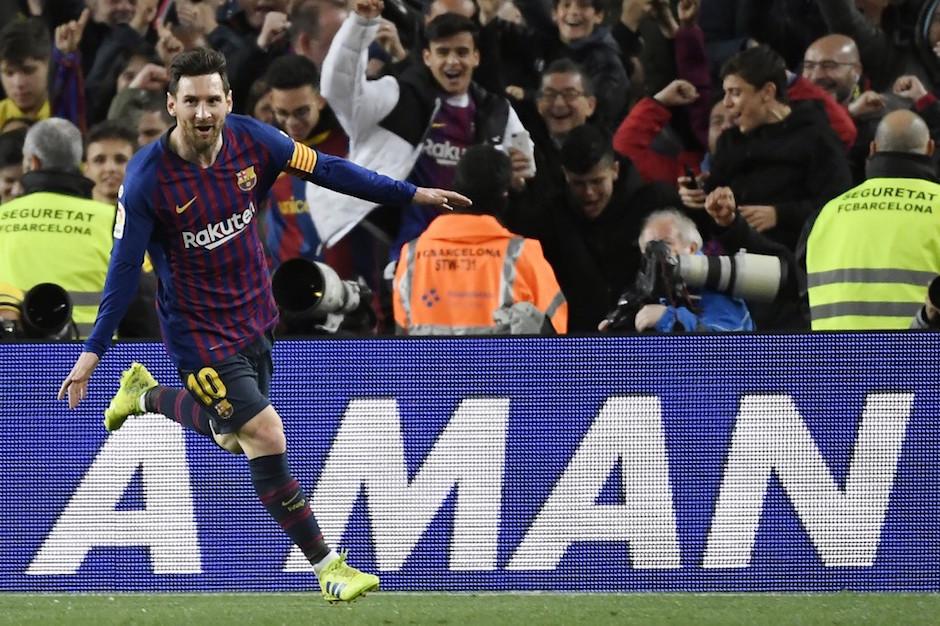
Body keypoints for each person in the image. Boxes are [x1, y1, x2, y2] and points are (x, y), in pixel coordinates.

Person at [56, 48, 469, 603]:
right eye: (191, 101)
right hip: (198, 336)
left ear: (228, 100)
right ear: (171, 103)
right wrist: (93, 350)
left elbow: (330, 170)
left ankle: (147, 395)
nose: (203, 113)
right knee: (265, 434)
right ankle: (329, 566)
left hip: (256, 315)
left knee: (232, 435)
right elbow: (125, 268)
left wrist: (411, 192)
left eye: (212, 100)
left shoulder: (257, 141)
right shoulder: (146, 181)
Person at [317, 1, 534, 253]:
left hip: (475, 249)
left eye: (462, 52)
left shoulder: (498, 112)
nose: (453, 62)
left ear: (476, 57)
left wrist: (516, 178)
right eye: (443, 52)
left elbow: (525, 170)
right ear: (427, 57)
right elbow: (339, 89)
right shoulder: (397, 98)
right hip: (410, 247)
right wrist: (360, 24)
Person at [393, 145, 567, 335]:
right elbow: (555, 330)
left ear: (455, 190)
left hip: (429, 365)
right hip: (503, 365)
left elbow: (402, 336)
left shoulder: (412, 254)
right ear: (504, 195)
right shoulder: (522, 254)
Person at [804, 109, 940, 330]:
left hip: (835, 359)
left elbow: (803, 298)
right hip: (921, 361)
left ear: (873, 149)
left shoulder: (826, 214)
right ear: (930, 149)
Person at [0, 118, 113, 338]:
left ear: (33, 163)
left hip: (10, 366)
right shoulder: (111, 221)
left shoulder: (2, 217)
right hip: (98, 367)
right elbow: (144, 311)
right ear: (79, 164)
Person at [600, 208, 753, 333]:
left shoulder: (716, 283)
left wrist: (669, 319)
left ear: (691, 248)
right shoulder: (648, 286)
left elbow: (726, 347)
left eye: (666, 244)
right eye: (649, 249)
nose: (657, 256)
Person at [83, 120, 136, 205]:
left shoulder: (156, 216)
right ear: (86, 169)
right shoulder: (69, 215)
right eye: (99, 160)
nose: (110, 168)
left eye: (120, 160)